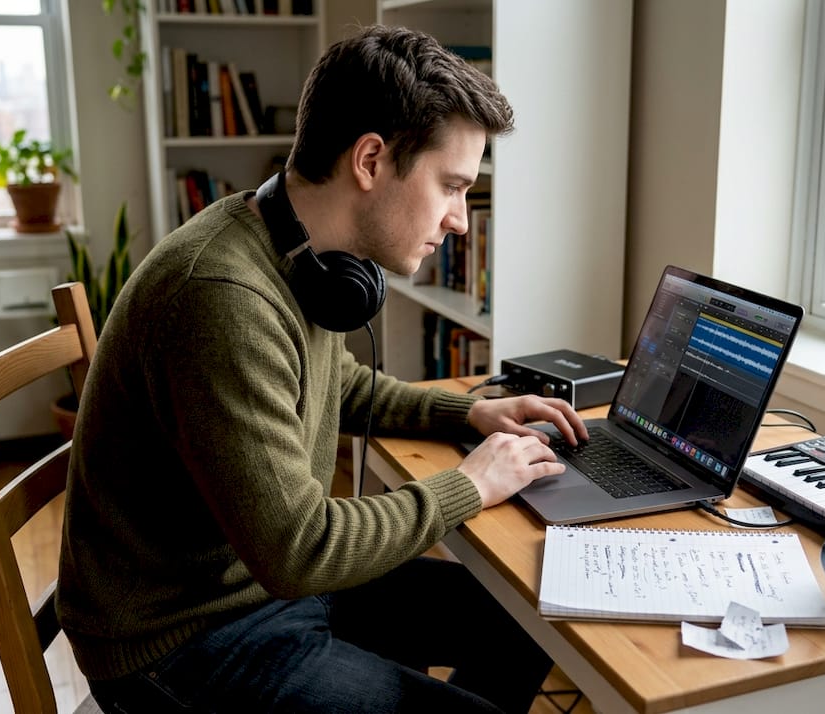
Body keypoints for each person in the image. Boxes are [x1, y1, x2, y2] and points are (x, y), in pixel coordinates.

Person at [56, 24, 589, 714]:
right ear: (370, 159)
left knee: (529, 615)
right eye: (452, 186)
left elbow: (335, 382)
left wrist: (469, 412)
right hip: (182, 640)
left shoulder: (293, 254)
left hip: (257, 587)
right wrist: (469, 484)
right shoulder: (221, 296)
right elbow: (300, 550)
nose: (460, 220)